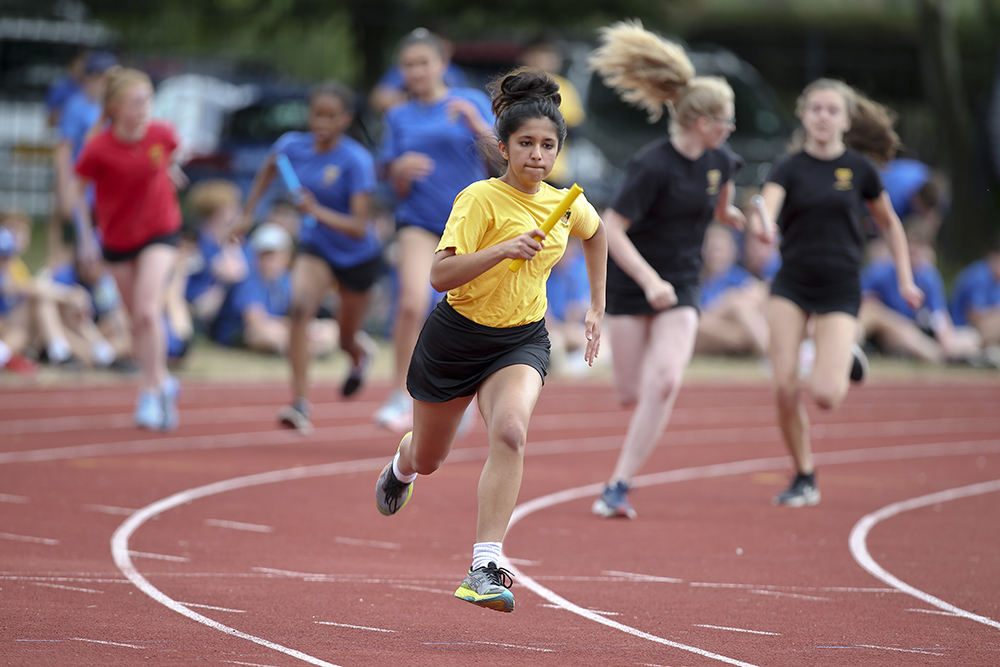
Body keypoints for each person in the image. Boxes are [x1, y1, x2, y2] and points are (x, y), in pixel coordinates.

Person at [374, 67, 607, 613]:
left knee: (510, 432)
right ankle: (401, 467)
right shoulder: (479, 199)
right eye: (526, 143)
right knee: (430, 458)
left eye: (548, 145)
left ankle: (484, 564)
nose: (537, 154)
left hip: (520, 341)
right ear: (503, 147)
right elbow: (439, 277)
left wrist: (597, 306)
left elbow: (597, 236)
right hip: (455, 338)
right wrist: (503, 250)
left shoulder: (566, 203)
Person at [586, 21, 750, 519]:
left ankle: (618, 484)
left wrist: (738, 216)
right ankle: (622, 469)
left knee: (663, 383)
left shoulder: (722, 159)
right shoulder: (651, 166)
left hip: (681, 283)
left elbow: (722, 200)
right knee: (631, 391)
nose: (730, 130)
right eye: (725, 121)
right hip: (635, 284)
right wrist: (648, 280)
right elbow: (611, 227)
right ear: (700, 121)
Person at [756, 79, 923, 507]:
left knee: (826, 396)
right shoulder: (788, 167)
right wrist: (764, 225)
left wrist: (905, 279)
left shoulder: (861, 170)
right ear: (803, 114)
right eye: (815, 109)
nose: (823, 117)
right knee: (784, 385)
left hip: (840, 286)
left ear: (846, 120)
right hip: (792, 283)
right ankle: (804, 475)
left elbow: (889, 224)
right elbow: (769, 210)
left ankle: (844, 352)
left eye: (832, 110)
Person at [241, 81, 382, 431]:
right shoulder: (291, 146)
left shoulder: (356, 160)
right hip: (316, 247)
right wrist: (247, 213)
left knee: (346, 336)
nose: (322, 122)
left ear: (346, 119)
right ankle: (300, 403)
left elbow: (358, 226)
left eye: (331, 116)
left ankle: (358, 354)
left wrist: (315, 210)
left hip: (356, 256)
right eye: (317, 114)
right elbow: (269, 168)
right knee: (299, 309)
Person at [374, 28, 495, 431]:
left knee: (465, 313)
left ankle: (456, 396)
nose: (416, 71)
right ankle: (398, 394)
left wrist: (476, 122)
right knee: (412, 303)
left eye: (424, 63)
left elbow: (504, 155)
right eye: (408, 65)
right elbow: (391, 177)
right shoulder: (397, 115)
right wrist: (400, 170)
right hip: (419, 221)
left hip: (470, 223)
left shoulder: (471, 101)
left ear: (443, 64)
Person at [71, 67, 185, 431]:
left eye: (148, 100)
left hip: (160, 230)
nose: (144, 108)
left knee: (148, 311)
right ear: (116, 108)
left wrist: (169, 172)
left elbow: (170, 156)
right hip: (117, 239)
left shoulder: (162, 133)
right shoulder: (99, 148)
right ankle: (164, 381)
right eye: (136, 102)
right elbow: (76, 192)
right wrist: (86, 238)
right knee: (135, 320)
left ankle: (150, 390)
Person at [859, 224, 984, 365]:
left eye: (918, 247)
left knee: (972, 337)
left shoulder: (928, 276)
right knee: (876, 313)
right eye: (910, 246)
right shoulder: (880, 271)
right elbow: (862, 304)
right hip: (891, 330)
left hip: (917, 331)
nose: (913, 252)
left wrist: (945, 338)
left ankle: (944, 353)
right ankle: (940, 355)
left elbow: (939, 314)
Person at [210, 223, 338, 358]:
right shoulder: (249, 281)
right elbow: (255, 321)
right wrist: (291, 327)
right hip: (241, 333)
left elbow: (298, 311)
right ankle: (304, 350)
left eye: (276, 255)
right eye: (265, 255)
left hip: (280, 327)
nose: (271, 261)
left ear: (287, 257)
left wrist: (308, 327)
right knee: (267, 334)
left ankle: (304, 349)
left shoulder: (286, 280)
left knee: (329, 329)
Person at [50, 51, 118, 268]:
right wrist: (63, 190)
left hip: (104, 191)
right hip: (81, 189)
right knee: (70, 245)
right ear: (91, 78)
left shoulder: (111, 109)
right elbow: (63, 150)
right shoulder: (76, 106)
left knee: (99, 249)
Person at [183, 180, 251, 330]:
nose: (237, 212)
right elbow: (232, 272)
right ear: (218, 211)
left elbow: (241, 272)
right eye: (232, 208)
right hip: (193, 300)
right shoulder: (199, 240)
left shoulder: (230, 240)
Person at [694, 223, 769, 358]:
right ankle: (770, 353)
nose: (715, 255)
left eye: (720, 249)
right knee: (735, 302)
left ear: (732, 250)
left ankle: (767, 352)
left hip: (718, 333)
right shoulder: (697, 277)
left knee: (738, 329)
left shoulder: (736, 275)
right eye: (711, 249)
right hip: (700, 326)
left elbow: (761, 293)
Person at [0, 227, 40, 375]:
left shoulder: (7, 276)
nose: (4, 261)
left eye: (7, 256)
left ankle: (5, 356)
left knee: (18, 334)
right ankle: (6, 357)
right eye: (1, 256)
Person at [950, 235, 1000, 348]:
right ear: (992, 256)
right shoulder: (980, 275)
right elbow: (974, 316)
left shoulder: (996, 279)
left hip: (980, 330)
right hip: (963, 330)